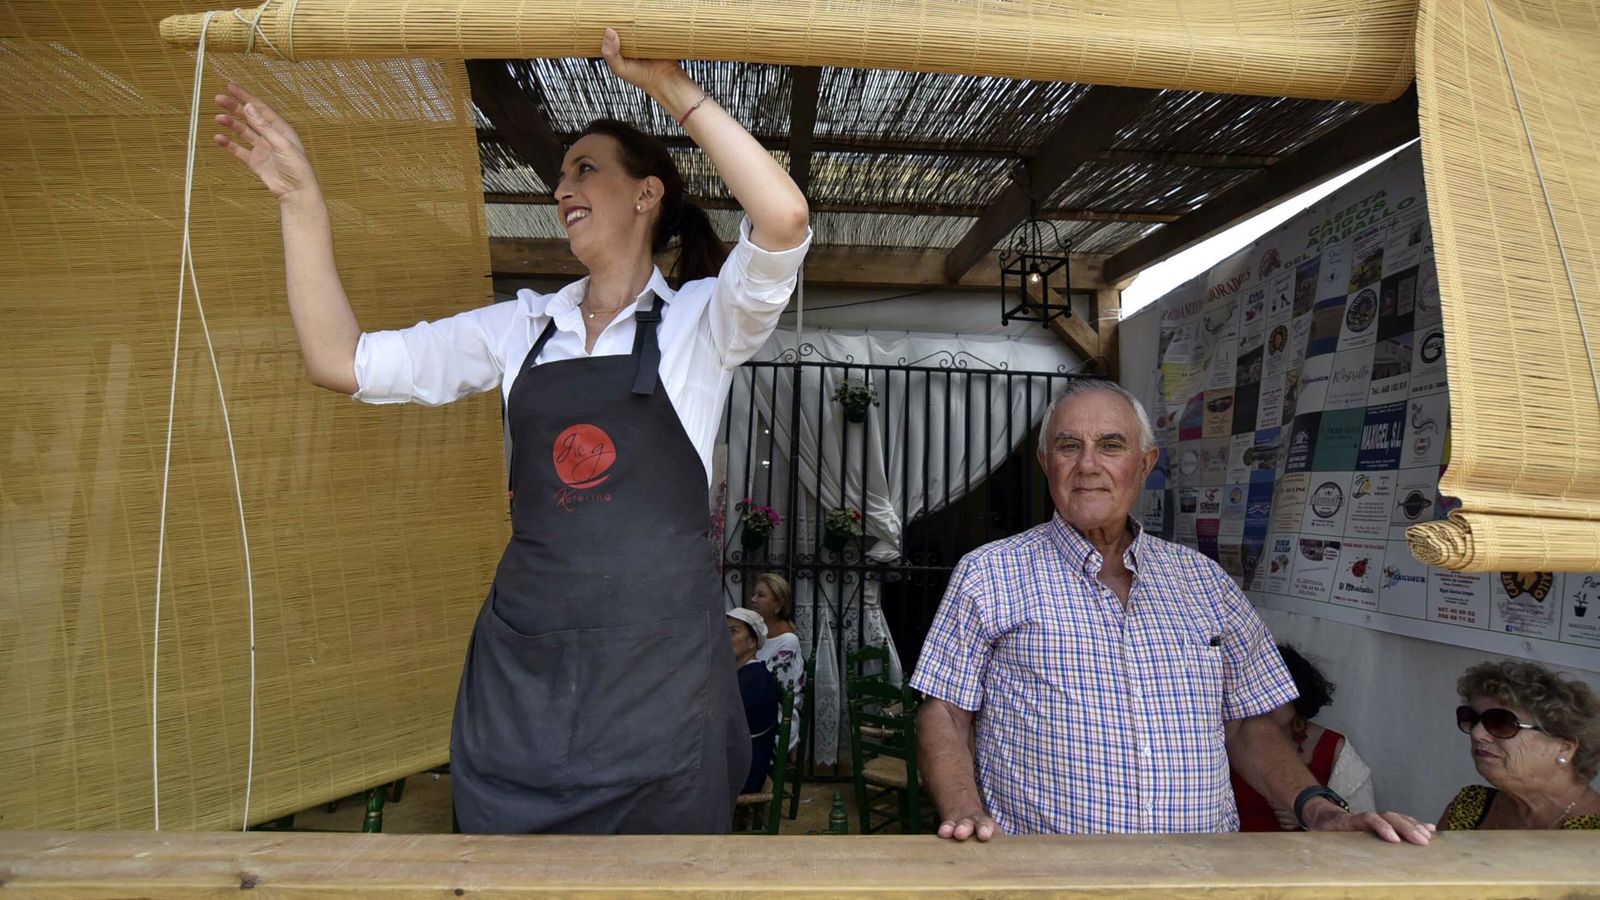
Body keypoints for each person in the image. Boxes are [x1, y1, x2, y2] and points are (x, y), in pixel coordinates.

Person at [211, 27, 810, 834]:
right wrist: (300, 204)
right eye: (560, 175)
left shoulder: (702, 323)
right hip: (528, 678)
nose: (563, 186)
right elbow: (339, 360)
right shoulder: (522, 327)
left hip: (659, 683)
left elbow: (781, 216)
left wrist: (670, 88)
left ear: (646, 194)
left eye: (586, 168)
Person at [911, 380, 1432, 844]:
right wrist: (964, 812)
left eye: (1110, 445)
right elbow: (945, 711)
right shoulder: (990, 573)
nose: (1088, 464)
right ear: (1047, 462)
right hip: (1052, 875)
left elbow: (1249, 726)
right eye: (1069, 446)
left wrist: (1317, 809)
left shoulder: (1205, 583)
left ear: (1145, 463)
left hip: (1199, 875)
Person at [1439, 660, 1600, 830]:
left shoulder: (1593, 831)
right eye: (1472, 718)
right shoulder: (1471, 806)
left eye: (1500, 723)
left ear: (1564, 748)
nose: (1476, 734)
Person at [1231, 645, 1375, 831]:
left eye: (1272, 691)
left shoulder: (1333, 747)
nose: (1262, 700)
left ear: (1295, 691)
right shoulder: (1225, 740)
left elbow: (1362, 820)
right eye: (1253, 690)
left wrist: (1310, 816)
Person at [749, 572, 805, 750]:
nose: (753, 599)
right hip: (752, 710)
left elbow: (771, 688)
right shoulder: (758, 634)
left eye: (761, 595)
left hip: (775, 719)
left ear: (778, 604)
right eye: (754, 594)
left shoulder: (787, 641)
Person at [728, 608, 780, 795]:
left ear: (752, 641)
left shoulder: (755, 679)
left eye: (733, 631)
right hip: (733, 762)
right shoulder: (739, 675)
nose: (726, 637)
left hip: (745, 771)